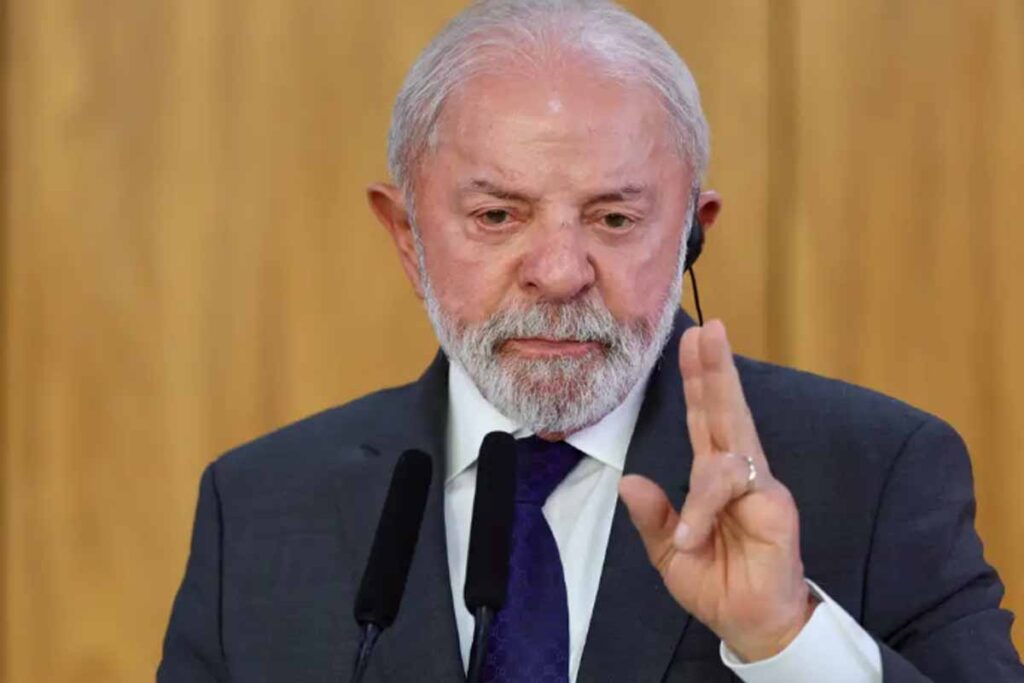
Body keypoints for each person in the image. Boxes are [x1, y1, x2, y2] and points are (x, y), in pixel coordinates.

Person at [158, 1, 1024, 681]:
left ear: (690, 233)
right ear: (407, 237)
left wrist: (786, 637)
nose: (560, 272)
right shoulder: (261, 507)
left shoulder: (875, 475)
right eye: (497, 216)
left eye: (614, 218)